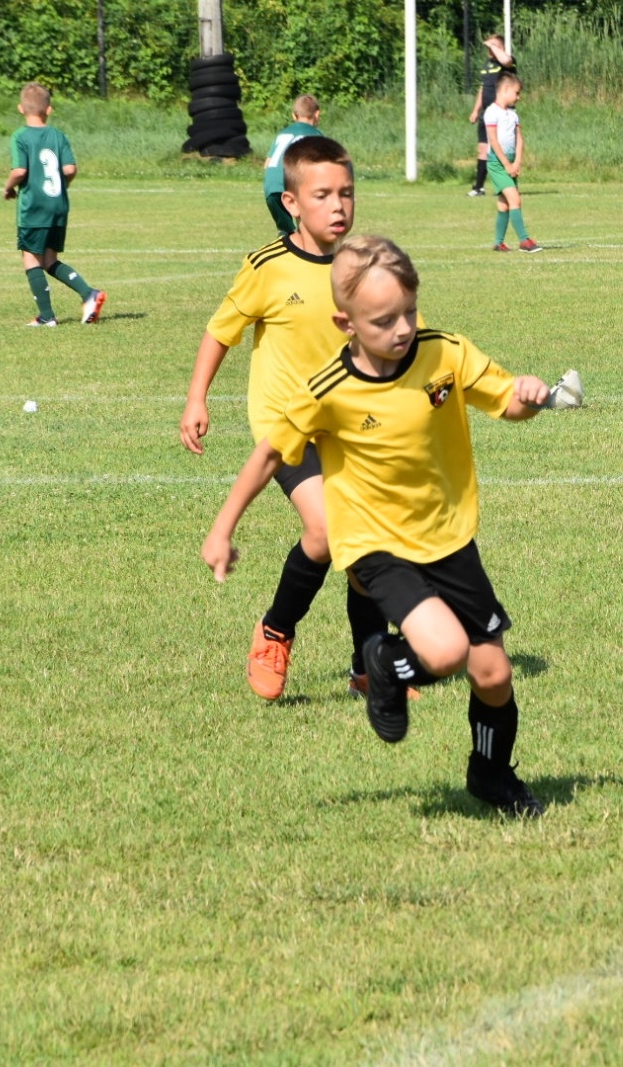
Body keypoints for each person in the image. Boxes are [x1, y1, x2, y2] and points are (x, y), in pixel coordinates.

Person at [202, 235, 551, 817]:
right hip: (375, 544)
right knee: (445, 652)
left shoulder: (445, 354)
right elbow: (270, 454)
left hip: (447, 537)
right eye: (383, 320)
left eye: (409, 311)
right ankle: (384, 662)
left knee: (493, 673)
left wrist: (529, 397)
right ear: (346, 323)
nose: (403, 328)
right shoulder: (328, 390)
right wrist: (222, 528)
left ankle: (490, 776)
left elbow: (506, 402)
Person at [181, 135, 390, 702]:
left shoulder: (364, 265)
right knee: (324, 531)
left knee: (365, 546)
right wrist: (197, 398)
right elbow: (220, 331)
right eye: (322, 195)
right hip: (286, 426)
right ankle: (275, 631)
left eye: (347, 193)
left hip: (348, 426)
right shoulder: (267, 267)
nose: (338, 206)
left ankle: (369, 667)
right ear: (291, 202)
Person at [3, 83, 107, 327]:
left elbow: (20, 171)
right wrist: (63, 185)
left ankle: (47, 316)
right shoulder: (58, 136)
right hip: (58, 206)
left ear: (21, 108)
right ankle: (89, 294)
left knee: (31, 259)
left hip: (34, 207)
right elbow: (70, 169)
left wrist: (8, 187)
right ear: (49, 110)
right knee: (49, 259)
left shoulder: (20, 136)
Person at [483, 73, 541, 253]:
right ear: (506, 89)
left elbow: (519, 139)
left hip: (510, 162)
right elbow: (493, 141)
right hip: (497, 163)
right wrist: (507, 165)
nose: (519, 97)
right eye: (517, 93)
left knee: (505, 202)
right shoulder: (492, 112)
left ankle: (498, 243)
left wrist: (516, 162)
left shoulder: (513, 114)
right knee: (515, 199)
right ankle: (524, 241)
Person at [263, 94, 321, 235]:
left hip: (271, 187)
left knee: (286, 232)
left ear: (294, 115)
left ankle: (285, 242)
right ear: (317, 114)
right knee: (306, 230)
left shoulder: (282, 134)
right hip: (293, 184)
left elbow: (267, 164)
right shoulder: (316, 135)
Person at [467, 34, 516, 198]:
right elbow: (483, 88)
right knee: (483, 148)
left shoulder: (507, 62)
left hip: (502, 114)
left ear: (501, 47)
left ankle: (506, 184)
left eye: (493, 45)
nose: (489, 48)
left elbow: (506, 60)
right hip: (486, 113)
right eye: (488, 46)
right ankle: (478, 187)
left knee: (503, 148)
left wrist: (494, 46)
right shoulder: (487, 64)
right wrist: (476, 110)